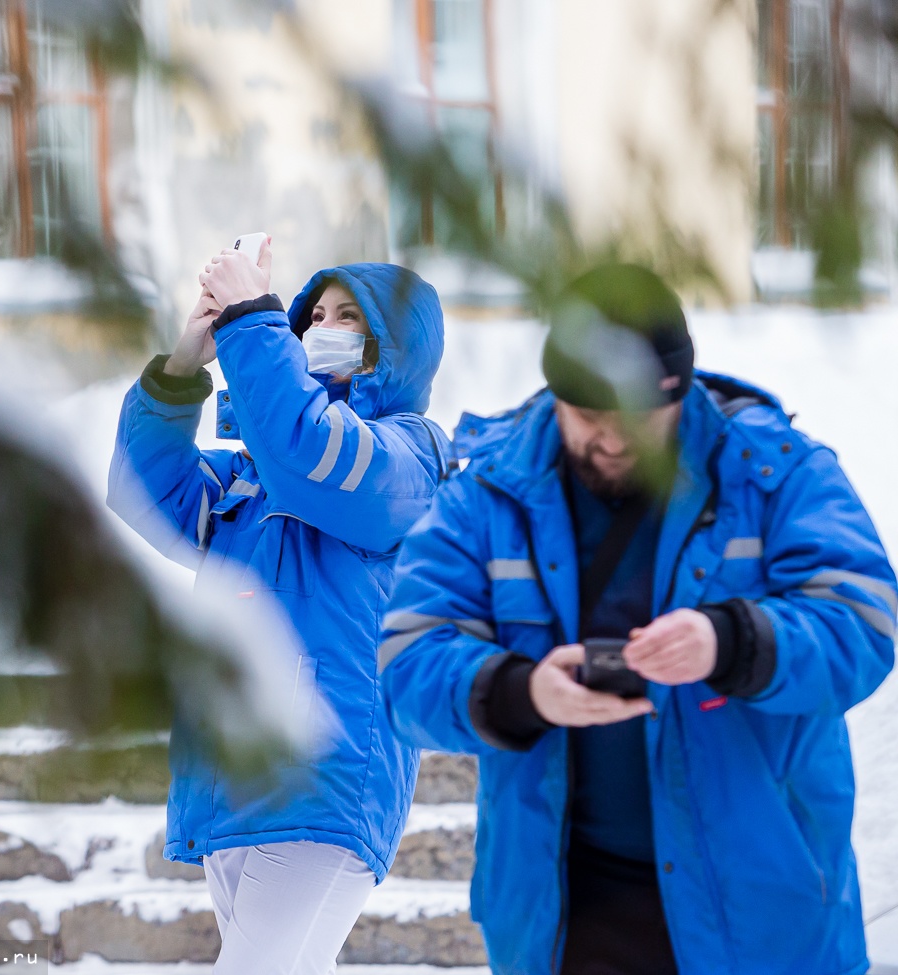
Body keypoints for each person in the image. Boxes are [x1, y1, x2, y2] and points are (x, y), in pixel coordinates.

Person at [377, 263, 897, 975]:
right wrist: (523, 691)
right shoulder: (485, 493)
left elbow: (864, 617)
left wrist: (731, 640)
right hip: (563, 914)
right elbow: (408, 658)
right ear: (555, 395)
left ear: (680, 393)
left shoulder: (775, 468)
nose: (614, 442)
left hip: (762, 913)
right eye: (590, 418)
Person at [107, 240, 452, 974]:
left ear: (394, 348)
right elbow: (145, 488)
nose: (322, 327)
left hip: (322, 781)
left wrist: (254, 320)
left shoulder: (410, 458)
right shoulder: (255, 482)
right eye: (311, 316)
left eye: (349, 317)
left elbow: (313, 454)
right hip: (234, 773)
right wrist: (181, 363)